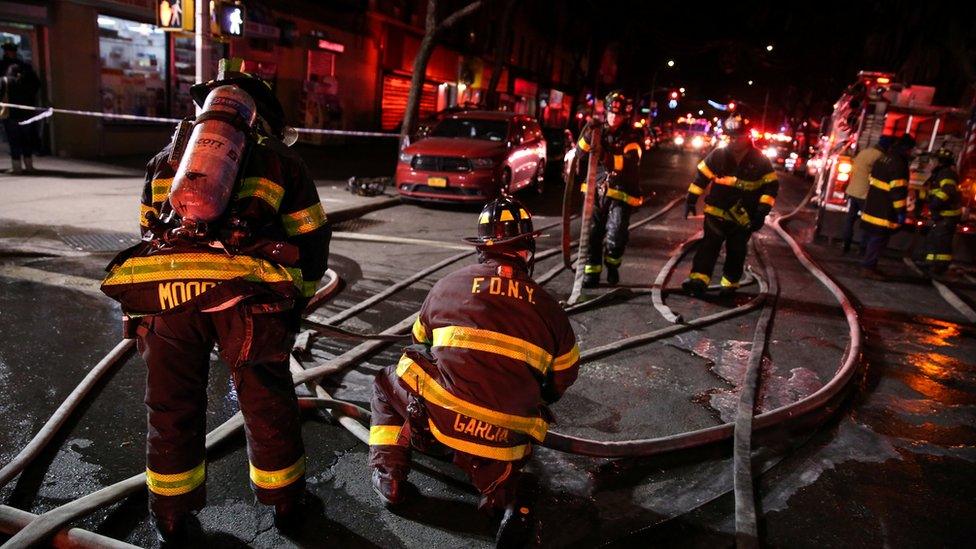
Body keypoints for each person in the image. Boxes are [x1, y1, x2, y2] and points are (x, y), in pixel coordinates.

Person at [100, 59, 331, 544]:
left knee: (171, 406)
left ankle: (170, 514)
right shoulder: (281, 161)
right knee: (266, 399)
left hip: (169, 298)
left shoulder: (169, 160)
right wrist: (297, 303)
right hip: (248, 302)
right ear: (261, 114)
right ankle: (286, 503)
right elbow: (311, 237)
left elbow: (148, 230)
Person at [367, 197, 579, 546]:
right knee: (499, 466)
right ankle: (502, 495)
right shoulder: (549, 308)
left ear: (483, 248)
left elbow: (420, 338)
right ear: (528, 250)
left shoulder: (449, 284)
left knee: (385, 381)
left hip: (445, 419)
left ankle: (390, 478)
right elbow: (561, 380)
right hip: (507, 439)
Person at [681, 114, 778, 296]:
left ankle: (729, 285)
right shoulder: (719, 155)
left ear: (748, 136)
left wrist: (761, 213)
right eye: (731, 136)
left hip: (743, 218)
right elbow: (701, 178)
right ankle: (698, 281)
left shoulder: (760, 161)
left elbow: (771, 188)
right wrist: (691, 199)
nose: (733, 141)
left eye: (738, 137)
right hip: (716, 212)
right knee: (708, 246)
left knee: (736, 251)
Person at [575, 90, 644, 287]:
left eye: (618, 114)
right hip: (595, 192)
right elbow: (580, 153)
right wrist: (588, 136)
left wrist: (607, 157)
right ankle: (592, 273)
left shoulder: (633, 136)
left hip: (621, 193)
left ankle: (612, 265)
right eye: (611, 113)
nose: (614, 117)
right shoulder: (597, 131)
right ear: (606, 112)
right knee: (592, 234)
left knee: (616, 235)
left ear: (625, 116)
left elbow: (631, 162)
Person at [859, 134, 915, 278]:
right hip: (884, 211)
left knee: (871, 238)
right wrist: (901, 212)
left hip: (872, 206)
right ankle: (868, 268)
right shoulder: (899, 164)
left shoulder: (883, 158)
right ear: (906, 149)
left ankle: (868, 265)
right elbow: (898, 191)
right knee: (878, 240)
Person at [843, 136, 892, 254]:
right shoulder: (880, 157)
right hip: (865, 194)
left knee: (850, 219)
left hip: (853, 191)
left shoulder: (864, 152)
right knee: (867, 223)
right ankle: (863, 247)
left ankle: (846, 244)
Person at [0, 42, 41, 174]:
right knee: (26, 138)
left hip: (10, 111)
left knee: (13, 139)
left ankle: (17, 166)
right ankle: (29, 165)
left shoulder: (3, 72)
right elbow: (37, 85)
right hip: (26, 110)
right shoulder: (26, 68)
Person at [921, 146, 961, 275]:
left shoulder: (946, 174)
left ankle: (940, 267)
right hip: (942, 215)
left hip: (947, 215)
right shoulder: (939, 174)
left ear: (941, 162)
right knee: (934, 239)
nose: (932, 163)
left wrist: (934, 204)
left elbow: (948, 190)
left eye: (935, 160)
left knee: (941, 243)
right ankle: (931, 264)